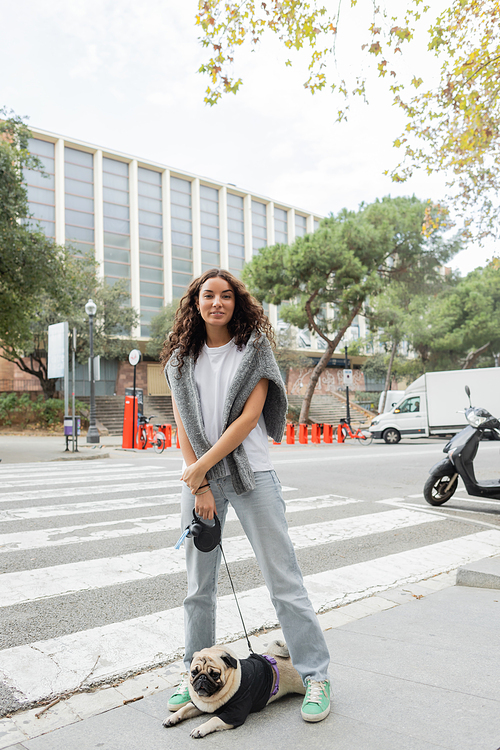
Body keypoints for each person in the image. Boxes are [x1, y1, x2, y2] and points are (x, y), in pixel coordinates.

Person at [161, 268, 331, 723]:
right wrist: (198, 483)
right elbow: (181, 425)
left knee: (284, 581)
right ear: (195, 303)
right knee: (198, 588)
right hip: (200, 482)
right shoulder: (180, 359)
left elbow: (249, 418)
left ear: (237, 302)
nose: (217, 302)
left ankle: (315, 675)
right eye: (208, 295)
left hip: (252, 475)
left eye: (226, 296)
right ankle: (195, 674)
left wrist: (200, 468)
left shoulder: (254, 349)